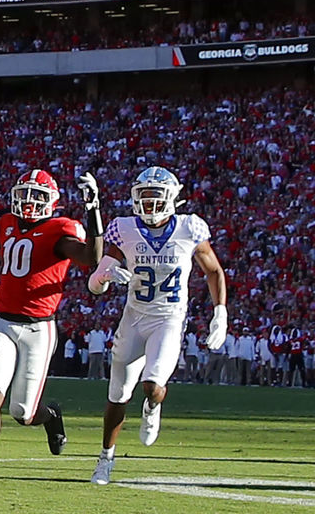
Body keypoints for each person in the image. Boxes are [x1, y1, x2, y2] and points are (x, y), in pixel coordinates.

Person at [0, 139, 103, 493]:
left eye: (37, 196)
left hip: (38, 329)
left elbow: (90, 257)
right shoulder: (9, 223)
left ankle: (50, 415)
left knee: (23, 413)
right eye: (25, 194)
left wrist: (94, 212)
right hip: (2, 322)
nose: (29, 202)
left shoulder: (60, 230)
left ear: (52, 202)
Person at [87, 166, 228, 485]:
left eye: (156, 199)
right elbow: (94, 283)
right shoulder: (123, 228)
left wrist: (220, 312)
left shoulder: (189, 227)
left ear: (171, 199)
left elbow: (214, 271)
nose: (149, 206)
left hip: (168, 318)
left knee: (152, 384)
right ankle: (105, 458)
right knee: (118, 394)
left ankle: (153, 405)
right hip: (134, 318)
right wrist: (107, 275)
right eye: (145, 199)